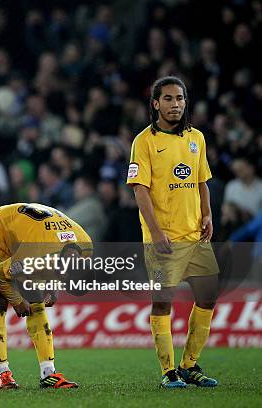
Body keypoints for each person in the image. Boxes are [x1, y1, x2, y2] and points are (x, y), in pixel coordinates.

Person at [127, 76, 219, 388]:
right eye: (167, 99)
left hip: (195, 235)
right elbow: (140, 190)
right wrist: (155, 232)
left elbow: (201, 180)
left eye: (179, 98)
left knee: (208, 297)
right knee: (162, 302)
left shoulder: (197, 138)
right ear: (155, 104)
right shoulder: (144, 141)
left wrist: (207, 213)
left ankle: (190, 365)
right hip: (163, 237)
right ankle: (168, 372)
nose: (175, 104)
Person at [0, 203, 90, 389]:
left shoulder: (87, 247)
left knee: (36, 301)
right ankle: (3, 374)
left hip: (32, 234)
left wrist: (54, 286)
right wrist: (15, 300)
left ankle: (48, 373)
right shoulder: (34, 256)